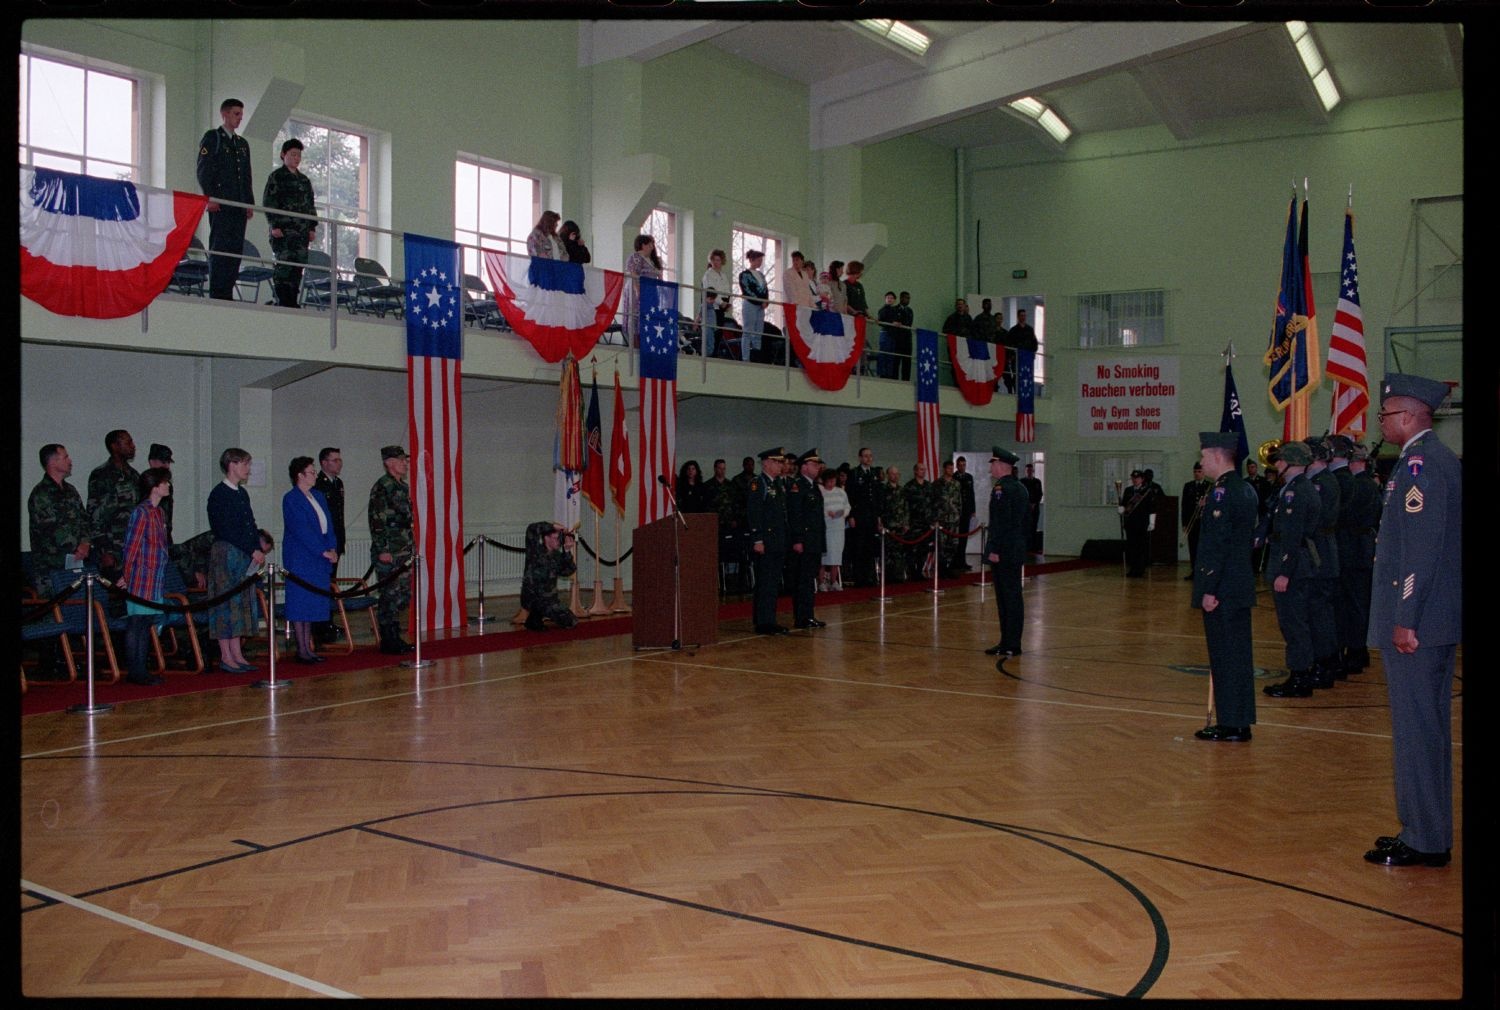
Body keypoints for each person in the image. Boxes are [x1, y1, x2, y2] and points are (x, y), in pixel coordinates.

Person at [1363, 374, 1461, 868]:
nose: (1380, 423)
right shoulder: (1432, 462)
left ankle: (1425, 839)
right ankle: (1427, 829)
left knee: (1417, 730)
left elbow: (1419, 553)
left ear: (1407, 416)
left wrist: (1405, 617)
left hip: (1417, 627)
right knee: (1426, 729)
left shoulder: (1421, 467)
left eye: (1384, 415)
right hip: (1434, 622)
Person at [1191, 433, 1260, 742]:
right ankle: (1239, 719)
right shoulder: (1245, 489)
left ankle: (1231, 724)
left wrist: (1209, 588)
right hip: (1239, 585)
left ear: (1218, 456)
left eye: (1204, 456)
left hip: (1224, 589)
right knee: (1238, 656)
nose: (1202, 462)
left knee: (1226, 657)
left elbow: (1218, 547)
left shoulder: (1222, 494)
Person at [1261, 442, 1319, 698]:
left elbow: (1293, 535)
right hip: (1296, 563)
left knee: (1293, 622)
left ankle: (1300, 677)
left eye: (1281, 460)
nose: (1277, 464)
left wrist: (1284, 571)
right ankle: (1301, 672)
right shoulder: (1293, 488)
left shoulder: (1297, 492)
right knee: (1294, 622)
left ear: (1289, 462)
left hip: (1293, 566)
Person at [206, 447, 264, 673]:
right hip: (227, 554)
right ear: (233, 464)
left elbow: (250, 523)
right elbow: (226, 529)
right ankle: (226, 655)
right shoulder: (219, 494)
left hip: (244, 554)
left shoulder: (241, 493)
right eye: (245, 464)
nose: (248, 469)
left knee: (240, 604)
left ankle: (237, 653)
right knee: (226, 604)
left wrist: (257, 546)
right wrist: (251, 549)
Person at [281, 456, 339, 664]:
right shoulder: (291, 499)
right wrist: (321, 550)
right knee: (300, 603)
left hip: (319, 556)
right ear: (300, 475)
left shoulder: (319, 496)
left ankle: (309, 647)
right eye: (312, 472)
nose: (315, 475)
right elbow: (301, 529)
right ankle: (302, 649)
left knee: (313, 603)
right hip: (301, 557)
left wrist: (332, 548)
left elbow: (328, 525)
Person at [196, 98, 255, 300]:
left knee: (235, 250)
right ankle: (218, 293)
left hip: (238, 205)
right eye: (236, 114)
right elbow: (204, 169)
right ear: (225, 114)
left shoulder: (242, 144)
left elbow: (246, 175)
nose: (239, 118)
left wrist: (248, 203)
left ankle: (227, 292)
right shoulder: (213, 137)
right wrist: (209, 197)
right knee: (221, 248)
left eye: (241, 114)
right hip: (221, 204)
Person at [120, 467, 174, 687]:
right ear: (155, 486)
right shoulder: (141, 512)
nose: (168, 485)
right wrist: (126, 574)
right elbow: (131, 547)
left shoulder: (159, 512)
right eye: (165, 482)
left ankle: (141, 668)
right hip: (141, 576)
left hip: (155, 577)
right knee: (137, 623)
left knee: (146, 622)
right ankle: (136, 670)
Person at [1303, 436, 1343, 688]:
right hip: (1322, 551)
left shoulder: (1321, 482)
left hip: (1319, 553)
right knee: (1320, 611)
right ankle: (1325, 662)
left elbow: (1316, 519)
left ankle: (1324, 664)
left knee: (1320, 613)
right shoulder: (1323, 479)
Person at [368, 445, 415, 654]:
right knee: (389, 595)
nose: (405, 463)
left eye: (405, 459)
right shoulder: (382, 487)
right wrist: (383, 549)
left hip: (403, 549)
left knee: (403, 594)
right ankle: (388, 638)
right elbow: (377, 521)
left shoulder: (402, 487)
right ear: (389, 463)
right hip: (389, 551)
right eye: (401, 459)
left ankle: (395, 634)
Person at [1339, 441, 1380, 673]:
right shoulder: (1367, 484)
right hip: (1361, 548)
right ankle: (1358, 650)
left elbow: (1347, 514)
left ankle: (1356, 651)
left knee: (1355, 604)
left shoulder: (1361, 485)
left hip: (1356, 549)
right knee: (1356, 603)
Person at [984, 447, 1028, 660]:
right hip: (1015, 548)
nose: (991, 467)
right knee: (1011, 597)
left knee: (1007, 597)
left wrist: (994, 549)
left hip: (1004, 550)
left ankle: (1010, 642)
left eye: (993, 463)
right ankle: (1009, 641)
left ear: (1001, 465)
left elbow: (1001, 523)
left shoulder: (1002, 488)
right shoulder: (1019, 487)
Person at [263, 137, 317, 308]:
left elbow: (310, 205)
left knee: (297, 266)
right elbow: (269, 202)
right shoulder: (277, 177)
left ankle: (292, 300)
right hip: (284, 231)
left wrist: (312, 227)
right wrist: (275, 225)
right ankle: (282, 300)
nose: (296, 158)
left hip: (301, 232)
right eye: (293, 154)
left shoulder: (304, 181)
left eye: (298, 155)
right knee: (284, 265)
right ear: (283, 155)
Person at [87, 428, 139, 581]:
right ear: (114, 446)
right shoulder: (101, 474)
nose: (133, 445)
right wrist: (104, 551)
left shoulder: (134, 475)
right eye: (128, 442)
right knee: (115, 595)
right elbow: (93, 513)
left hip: (133, 544)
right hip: (112, 545)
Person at [746, 447, 789, 634]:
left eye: (781, 462)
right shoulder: (758, 483)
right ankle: (765, 622)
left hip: (777, 540)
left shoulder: (777, 484)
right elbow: (754, 513)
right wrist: (757, 539)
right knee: (766, 582)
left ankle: (766, 618)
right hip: (766, 540)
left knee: (772, 582)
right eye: (777, 462)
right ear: (766, 463)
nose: (781, 465)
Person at [787, 450, 827, 629]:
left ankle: (808, 615)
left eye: (818, 464)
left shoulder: (814, 487)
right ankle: (802, 617)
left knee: (809, 580)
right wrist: (797, 539)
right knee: (802, 581)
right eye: (813, 464)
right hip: (804, 542)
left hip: (814, 541)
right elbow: (796, 516)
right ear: (804, 467)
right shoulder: (797, 486)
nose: (817, 467)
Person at [521, 521, 579, 631]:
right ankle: (535, 618)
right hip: (532, 597)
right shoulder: (535, 550)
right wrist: (552, 526)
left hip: (549, 599)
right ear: (547, 538)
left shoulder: (556, 556)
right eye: (556, 538)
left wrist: (567, 551)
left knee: (571, 621)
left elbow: (568, 571)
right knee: (543, 607)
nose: (559, 541)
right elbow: (531, 529)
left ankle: (538, 617)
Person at [623, 234, 662, 347]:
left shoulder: (654, 260)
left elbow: (659, 276)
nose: (651, 246)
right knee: (635, 316)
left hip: (651, 291)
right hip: (638, 288)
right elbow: (633, 273)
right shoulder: (635, 257)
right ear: (642, 245)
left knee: (649, 316)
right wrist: (637, 290)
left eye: (652, 244)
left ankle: (647, 342)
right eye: (649, 244)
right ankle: (635, 343)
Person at [1118, 470, 1157, 577]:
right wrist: (1121, 509)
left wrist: (1152, 522)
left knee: (1141, 547)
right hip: (1130, 523)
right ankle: (1133, 569)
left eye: (1137, 478)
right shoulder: (1128, 490)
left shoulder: (1147, 491)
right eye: (1133, 478)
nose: (1135, 480)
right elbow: (1125, 505)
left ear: (1142, 479)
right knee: (1131, 547)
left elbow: (1152, 508)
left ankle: (1140, 569)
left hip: (1142, 523)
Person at [818, 467, 849, 593]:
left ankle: (833, 581)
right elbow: (817, 508)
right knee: (823, 557)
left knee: (836, 555)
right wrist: (827, 513)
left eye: (833, 481)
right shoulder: (820, 492)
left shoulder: (841, 492)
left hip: (838, 528)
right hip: (826, 528)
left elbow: (847, 506)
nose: (831, 484)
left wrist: (843, 513)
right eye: (829, 481)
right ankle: (821, 582)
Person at [904, 462, 936, 580]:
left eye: (924, 469)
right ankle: (912, 571)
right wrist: (906, 522)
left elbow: (933, 504)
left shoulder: (929, 486)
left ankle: (919, 571)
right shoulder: (909, 487)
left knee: (924, 548)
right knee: (912, 548)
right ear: (915, 471)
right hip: (913, 523)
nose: (923, 471)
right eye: (921, 469)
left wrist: (933, 520)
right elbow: (905, 506)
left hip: (926, 523)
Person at [878, 465, 910, 583]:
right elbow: (880, 508)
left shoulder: (902, 490)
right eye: (892, 474)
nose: (895, 476)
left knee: (900, 553)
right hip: (888, 527)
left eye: (897, 474)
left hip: (900, 527)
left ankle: (899, 576)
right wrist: (880, 522)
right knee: (887, 553)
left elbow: (906, 508)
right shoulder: (883, 490)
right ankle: (888, 577)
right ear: (888, 475)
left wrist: (906, 523)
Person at [1181, 461, 1212, 579]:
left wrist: (1206, 503)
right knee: (1193, 547)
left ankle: (1203, 571)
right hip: (1192, 522)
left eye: (1199, 471)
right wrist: (1184, 523)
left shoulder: (1210, 486)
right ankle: (1194, 570)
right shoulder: (1188, 486)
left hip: (1204, 522)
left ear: (1204, 472)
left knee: (1204, 548)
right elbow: (1184, 506)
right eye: (1195, 472)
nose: (1197, 474)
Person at [699, 249, 732, 358]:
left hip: (722, 307)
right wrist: (721, 302)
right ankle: (710, 355)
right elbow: (710, 291)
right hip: (712, 307)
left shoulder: (723, 275)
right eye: (715, 260)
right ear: (711, 261)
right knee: (711, 333)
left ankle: (714, 354)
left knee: (719, 333)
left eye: (719, 260)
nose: (717, 262)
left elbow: (727, 290)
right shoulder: (708, 274)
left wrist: (729, 303)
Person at [738, 249, 768, 363]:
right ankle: (746, 358)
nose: (760, 262)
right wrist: (759, 301)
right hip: (750, 304)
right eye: (759, 260)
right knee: (748, 330)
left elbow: (765, 290)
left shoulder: (761, 275)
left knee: (758, 331)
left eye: (761, 260)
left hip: (761, 305)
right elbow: (746, 290)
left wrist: (766, 301)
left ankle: (756, 356)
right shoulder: (744, 275)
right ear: (752, 260)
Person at [935, 460, 963, 576]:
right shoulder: (937, 484)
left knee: (953, 545)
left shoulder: (956, 484)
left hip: (954, 519)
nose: (951, 471)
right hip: (942, 519)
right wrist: (935, 518)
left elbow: (959, 501)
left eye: (952, 469)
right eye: (949, 469)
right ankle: (941, 569)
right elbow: (934, 502)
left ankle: (950, 567)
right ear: (944, 469)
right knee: (942, 545)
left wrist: (958, 514)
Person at [954, 455, 976, 570]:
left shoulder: (969, 477)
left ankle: (962, 561)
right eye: (960, 465)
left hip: (966, 511)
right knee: (955, 538)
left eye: (964, 465)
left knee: (964, 538)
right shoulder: (954, 477)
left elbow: (971, 494)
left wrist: (973, 510)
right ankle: (955, 562)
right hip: (956, 513)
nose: (962, 467)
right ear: (957, 466)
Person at [876, 291, 901, 379]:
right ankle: (882, 373)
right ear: (885, 299)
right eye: (888, 298)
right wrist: (891, 323)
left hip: (892, 335)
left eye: (891, 298)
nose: (889, 299)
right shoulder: (882, 310)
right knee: (884, 353)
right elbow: (880, 322)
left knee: (891, 355)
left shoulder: (895, 311)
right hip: (886, 334)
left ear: (894, 300)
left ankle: (889, 374)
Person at [1020, 462, 1044, 556]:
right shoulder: (1022, 482)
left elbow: (1040, 494)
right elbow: (1021, 494)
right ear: (1025, 471)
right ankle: (1025, 547)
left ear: (1033, 471)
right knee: (1025, 527)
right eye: (1027, 470)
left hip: (1035, 508)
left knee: (1034, 527)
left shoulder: (1037, 481)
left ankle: (1033, 547)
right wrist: (1027, 504)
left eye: (1030, 470)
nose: (1029, 472)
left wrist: (1034, 504)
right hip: (1025, 509)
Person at [894, 291, 915, 381]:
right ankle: (894, 379)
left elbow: (909, 323)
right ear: (901, 298)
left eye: (909, 298)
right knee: (896, 360)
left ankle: (906, 380)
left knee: (907, 361)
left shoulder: (910, 311)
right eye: (906, 298)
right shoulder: (895, 309)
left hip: (907, 338)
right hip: (898, 338)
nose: (908, 300)